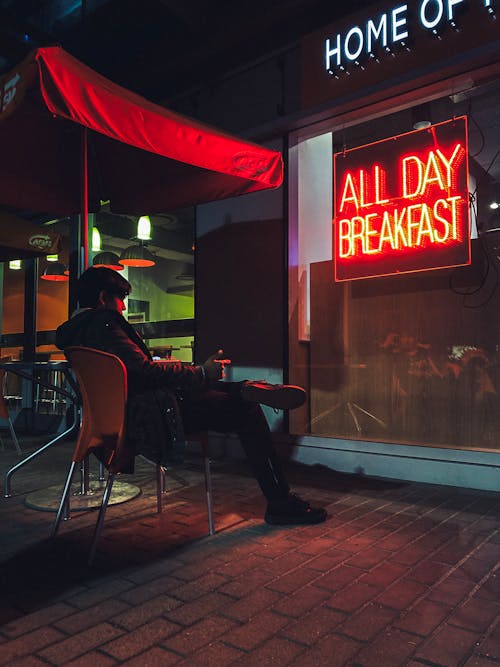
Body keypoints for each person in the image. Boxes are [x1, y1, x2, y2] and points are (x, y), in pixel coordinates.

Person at [56, 267, 326, 525]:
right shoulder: (103, 322)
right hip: (151, 418)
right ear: (104, 298)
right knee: (247, 412)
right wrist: (200, 373)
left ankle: (242, 388)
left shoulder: (75, 334)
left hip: (123, 417)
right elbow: (143, 371)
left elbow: (132, 372)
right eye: (121, 300)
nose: (124, 308)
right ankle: (280, 503)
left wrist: (194, 373)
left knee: (200, 384)